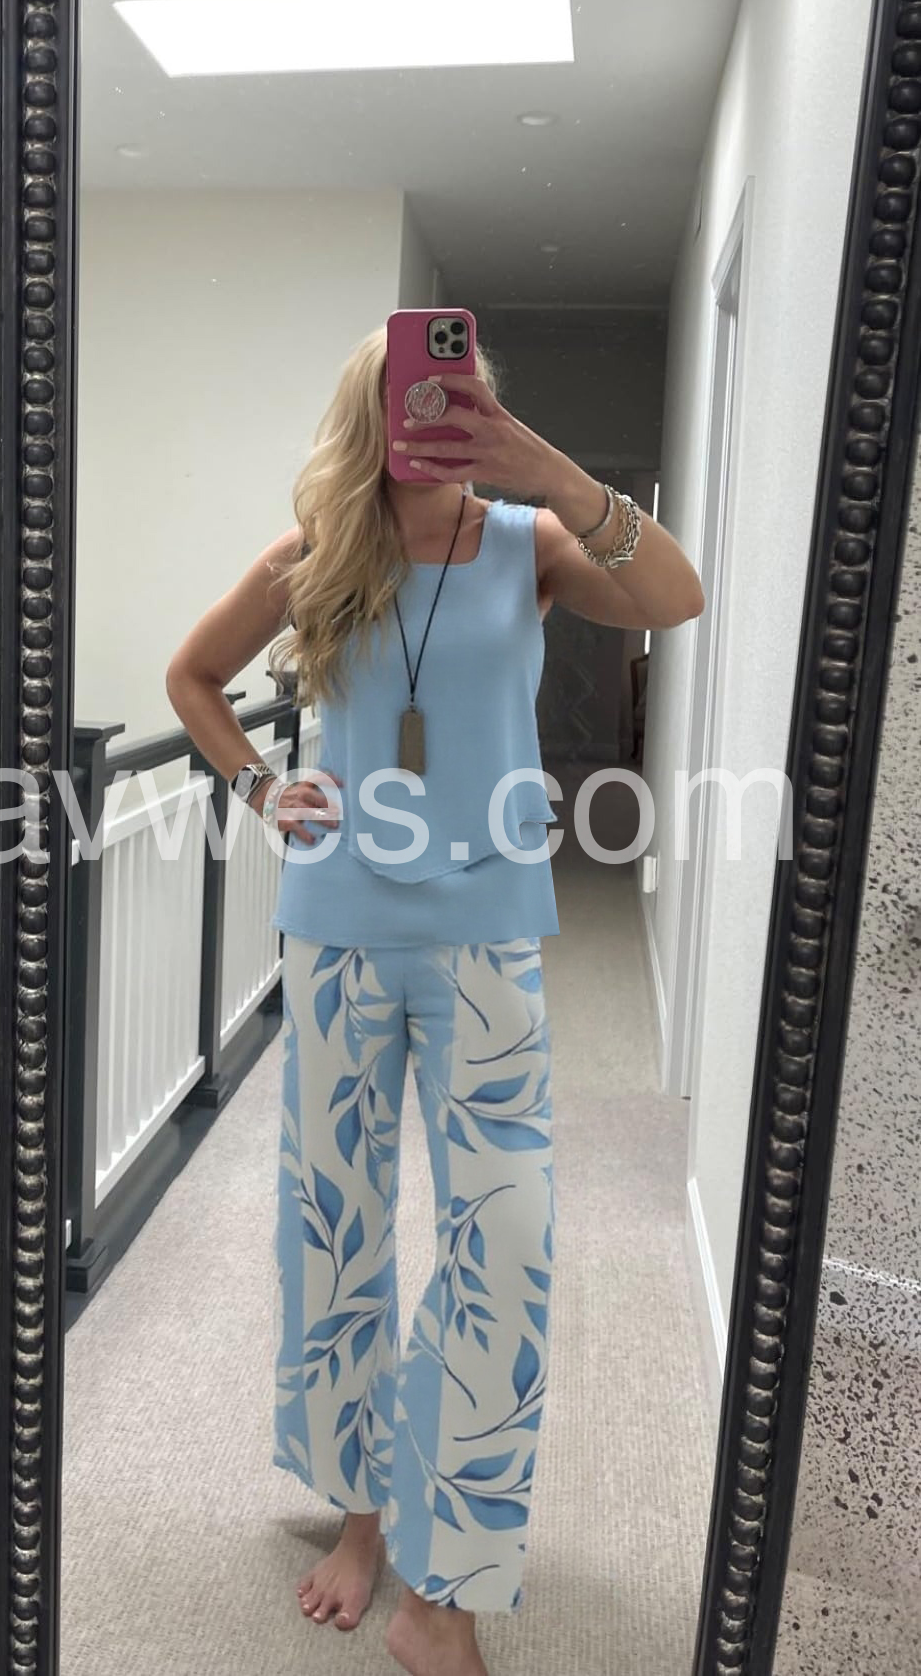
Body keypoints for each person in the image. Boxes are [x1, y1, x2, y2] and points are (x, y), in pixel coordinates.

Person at [166, 325, 703, 1676]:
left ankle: (444, 1584)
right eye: (412, 392)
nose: (435, 411)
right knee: (336, 1231)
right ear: (372, 409)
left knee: (505, 1241)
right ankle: (363, 1522)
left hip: (487, 935)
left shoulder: (532, 541)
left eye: (459, 395)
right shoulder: (314, 555)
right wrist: (258, 786)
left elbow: (676, 594)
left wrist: (545, 467)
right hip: (339, 933)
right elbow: (192, 677)